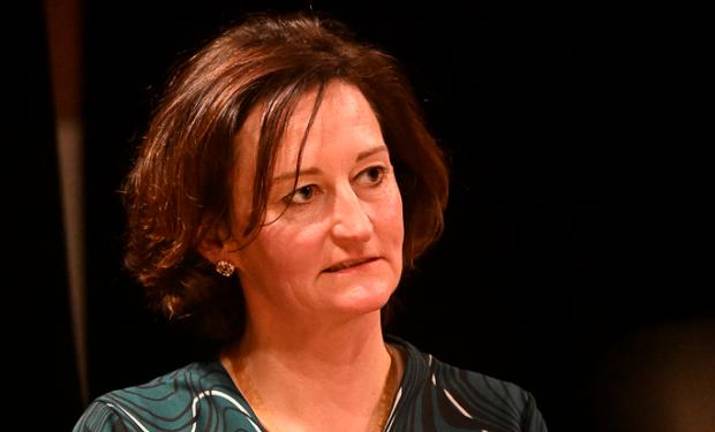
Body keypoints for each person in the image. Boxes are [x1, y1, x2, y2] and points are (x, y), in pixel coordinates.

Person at [74, 12, 548, 432]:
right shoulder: (131, 427)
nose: (356, 226)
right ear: (216, 236)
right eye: (303, 193)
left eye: (371, 175)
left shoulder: (497, 417)